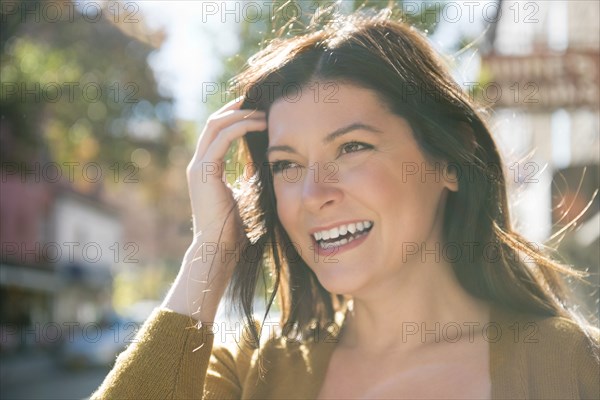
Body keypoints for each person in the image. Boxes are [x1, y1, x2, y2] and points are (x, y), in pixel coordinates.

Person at [91, 8, 599, 400]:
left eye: (352, 148)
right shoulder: (249, 374)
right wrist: (212, 250)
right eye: (287, 165)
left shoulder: (570, 366)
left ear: (451, 159)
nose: (315, 194)